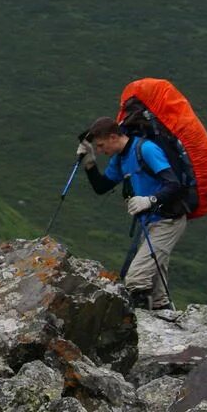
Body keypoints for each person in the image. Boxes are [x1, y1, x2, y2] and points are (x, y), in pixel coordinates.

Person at [77, 116, 186, 310]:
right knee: (156, 291)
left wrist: (149, 200)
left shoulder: (145, 149)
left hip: (168, 220)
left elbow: (174, 184)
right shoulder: (120, 158)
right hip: (150, 223)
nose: (101, 151)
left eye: (101, 146)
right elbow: (102, 187)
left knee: (136, 279)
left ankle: (139, 330)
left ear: (113, 137)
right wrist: (89, 163)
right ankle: (165, 322)